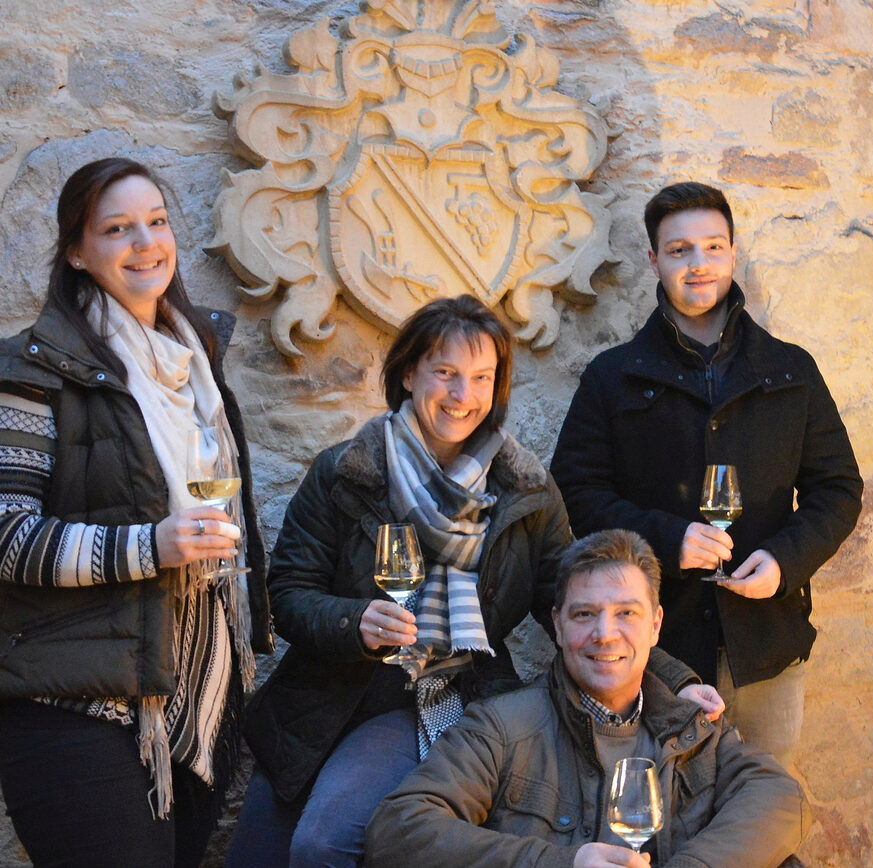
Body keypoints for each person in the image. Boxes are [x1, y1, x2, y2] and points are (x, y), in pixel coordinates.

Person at [225, 296, 722, 868]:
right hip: (322, 694)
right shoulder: (345, 472)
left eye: (481, 378)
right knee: (256, 856)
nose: (464, 396)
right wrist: (353, 621)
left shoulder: (524, 489)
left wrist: (673, 680)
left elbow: (577, 605)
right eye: (446, 374)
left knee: (323, 845)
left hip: (442, 695)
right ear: (408, 374)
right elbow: (286, 594)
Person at [0, 157, 271, 866]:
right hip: (75, 707)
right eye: (117, 228)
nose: (145, 243)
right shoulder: (29, 369)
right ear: (77, 251)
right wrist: (151, 545)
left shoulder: (195, 367)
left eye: (157, 222)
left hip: (193, 703)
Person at [550, 181, 863, 767]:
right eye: (679, 250)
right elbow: (576, 493)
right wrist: (667, 540)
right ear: (654, 260)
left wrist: (783, 563)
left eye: (713, 247)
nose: (699, 265)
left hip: (768, 644)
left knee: (761, 811)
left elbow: (839, 491)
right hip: (655, 651)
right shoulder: (612, 377)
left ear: (733, 253)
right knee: (659, 812)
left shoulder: (790, 369)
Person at [364, 529, 809, 868]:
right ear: (557, 626)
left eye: (625, 613)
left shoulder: (691, 725)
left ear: (655, 625)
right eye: (584, 614)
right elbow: (397, 830)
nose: (604, 634)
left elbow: (779, 797)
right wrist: (562, 863)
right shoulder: (502, 727)